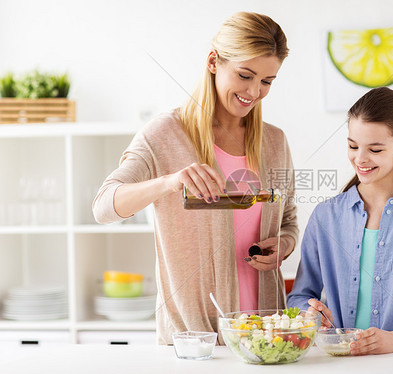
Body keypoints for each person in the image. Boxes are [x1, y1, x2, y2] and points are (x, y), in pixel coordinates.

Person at [93, 12, 298, 345]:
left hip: (266, 337)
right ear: (214, 62)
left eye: (266, 81)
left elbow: (287, 220)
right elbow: (103, 208)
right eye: (245, 75)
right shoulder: (164, 134)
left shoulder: (274, 142)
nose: (254, 91)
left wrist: (284, 246)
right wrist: (170, 182)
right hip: (193, 341)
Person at [287, 87, 393, 354]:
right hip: (341, 361)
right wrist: (311, 316)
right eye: (352, 146)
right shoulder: (326, 216)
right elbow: (300, 297)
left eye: (375, 149)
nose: (360, 158)